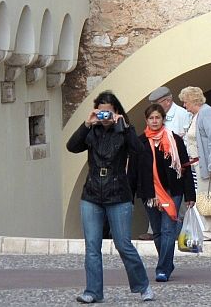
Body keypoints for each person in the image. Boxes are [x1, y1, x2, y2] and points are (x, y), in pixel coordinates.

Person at [66, 91, 154, 303]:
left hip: (118, 194)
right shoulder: (92, 131)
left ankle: (143, 286)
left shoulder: (123, 131)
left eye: (109, 113)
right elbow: (72, 146)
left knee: (123, 244)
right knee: (92, 246)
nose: (104, 117)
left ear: (116, 113)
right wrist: (87, 124)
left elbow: (139, 152)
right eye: (101, 112)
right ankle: (93, 292)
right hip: (92, 194)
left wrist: (125, 127)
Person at [132, 103, 196, 282]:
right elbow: (133, 171)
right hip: (150, 193)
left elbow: (184, 167)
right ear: (147, 120)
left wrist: (190, 194)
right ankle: (167, 262)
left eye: (157, 117)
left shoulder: (175, 140)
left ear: (163, 119)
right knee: (158, 231)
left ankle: (162, 269)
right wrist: (129, 194)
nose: (154, 121)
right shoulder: (140, 142)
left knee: (168, 230)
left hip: (172, 190)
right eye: (151, 118)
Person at [179, 86, 211, 240]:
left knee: (205, 197)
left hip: (205, 164)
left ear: (192, 100)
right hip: (199, 163)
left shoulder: (206, 113)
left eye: (185, 102)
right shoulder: (200, 114)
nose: (184, 105)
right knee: (209, 196)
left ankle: (208, 232)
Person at [140, 86, 192, 241]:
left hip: (174, 173)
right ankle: (157, 232)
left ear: (167, 101)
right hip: (156, 174)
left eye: (158, 103)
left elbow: (187, 142)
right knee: (155, 205)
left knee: (178, 210)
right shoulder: (142, 138)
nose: (155, 119)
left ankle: (177, 236)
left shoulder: (182, 115)